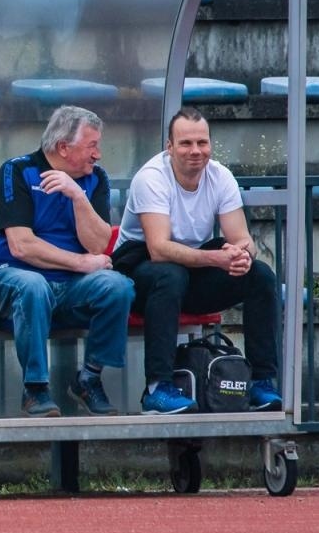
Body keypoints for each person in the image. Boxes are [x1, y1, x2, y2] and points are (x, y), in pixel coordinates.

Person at [112, 107, 282, 414]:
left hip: (191, 273)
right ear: (170, 147)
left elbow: (240, 237)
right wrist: (217, 258)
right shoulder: (151, 178)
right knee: (169, 274)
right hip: (137, 276)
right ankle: (157, 389)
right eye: (186, 143)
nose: (196, 151)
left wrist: (240, 256)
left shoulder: (220, 176)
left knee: (260, 276)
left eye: (202, 143)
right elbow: (159, 249)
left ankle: (261, 380)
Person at [0, 106, 134, 418]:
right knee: (33, 285)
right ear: (64, 147)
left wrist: (78, 197)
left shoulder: (95, 180)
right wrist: (80, 263)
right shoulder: (17, 172)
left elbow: (98, 244)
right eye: (92, 146)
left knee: (118, 286)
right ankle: (35, 389)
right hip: (10, 277)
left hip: (69, 286)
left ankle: (89, 378)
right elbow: (21, 246)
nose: (98, 155)